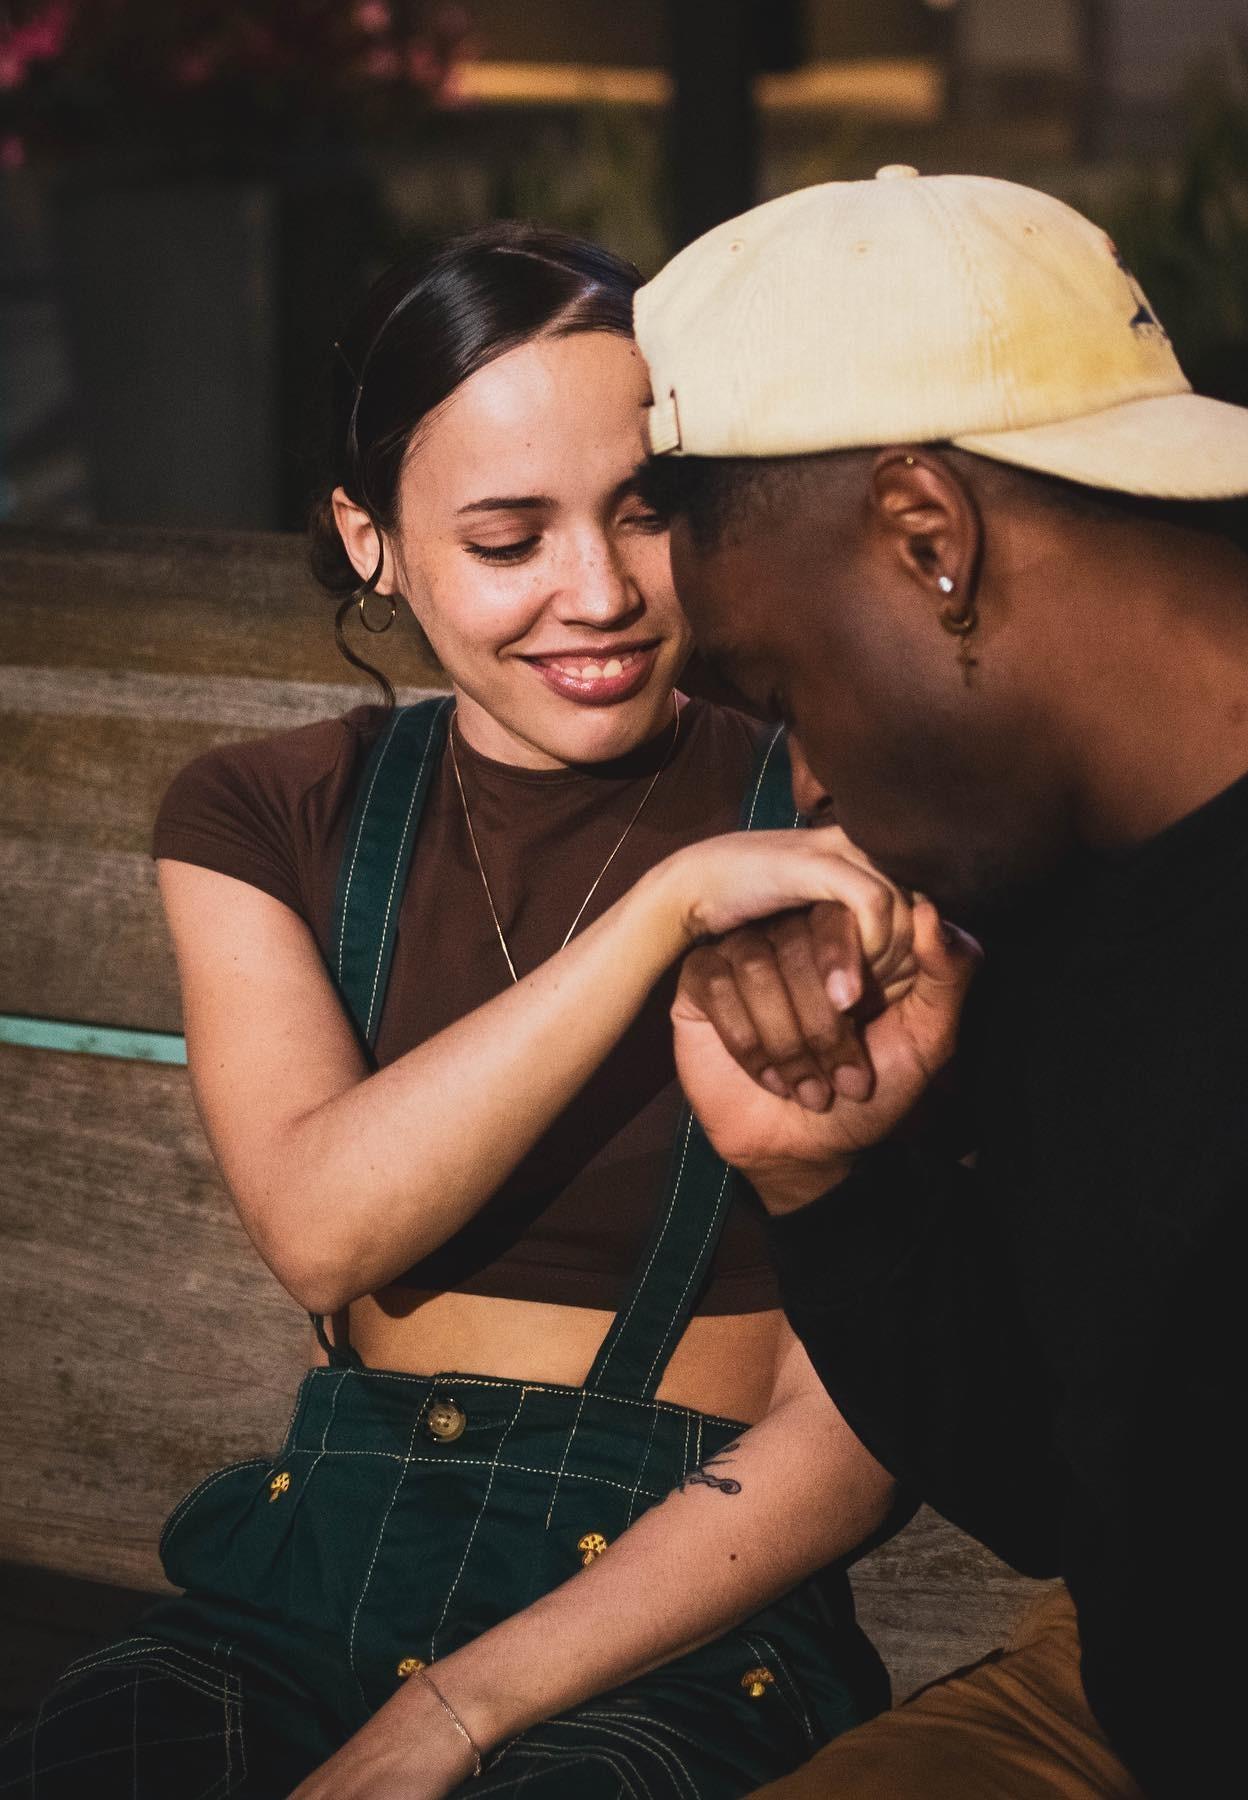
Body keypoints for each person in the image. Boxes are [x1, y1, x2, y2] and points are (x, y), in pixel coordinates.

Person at [0, 223, 917, 1800]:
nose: (599, 595)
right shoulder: (264, 814)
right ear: (371, 539)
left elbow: (857, 1429)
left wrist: (459, 1711)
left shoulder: (850, 802)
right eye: (508, 540)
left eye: (647, 513)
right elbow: (322, 1229)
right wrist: (659, 917)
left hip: (672, 1622)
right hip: (310, 1582)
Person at [631, 169, 1248, 1797]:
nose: (805, 777)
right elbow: (1060, 1495)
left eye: (779, 687)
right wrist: (830, 1183)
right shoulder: (1030, 893)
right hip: (1143, 1714)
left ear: (928, 537)